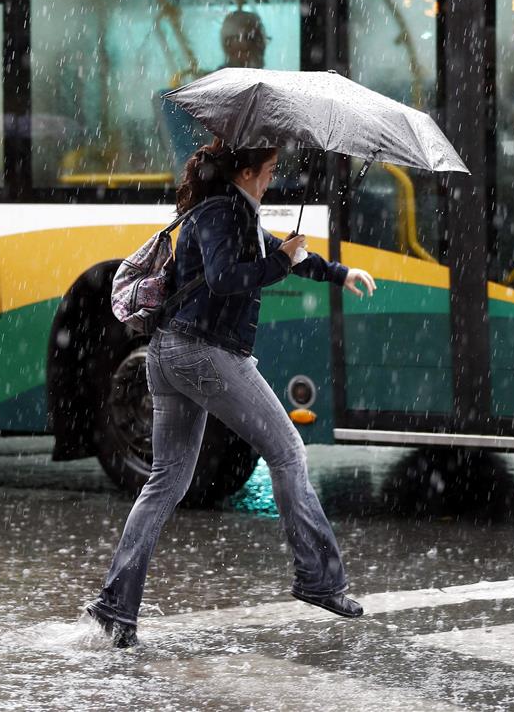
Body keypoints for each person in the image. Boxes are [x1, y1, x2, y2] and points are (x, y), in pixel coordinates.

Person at [86, 138, 376, 648]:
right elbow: (225, 280)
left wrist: (337, 271)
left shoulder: (225, 211)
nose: (271, 181)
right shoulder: (224, 214)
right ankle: (319, 578)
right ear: (244, 172)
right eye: (267, 172)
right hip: (205, 353)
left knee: (165, 482)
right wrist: (281, 263)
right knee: (287, 451)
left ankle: (116, 608)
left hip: (167, 354)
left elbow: (277, 252)